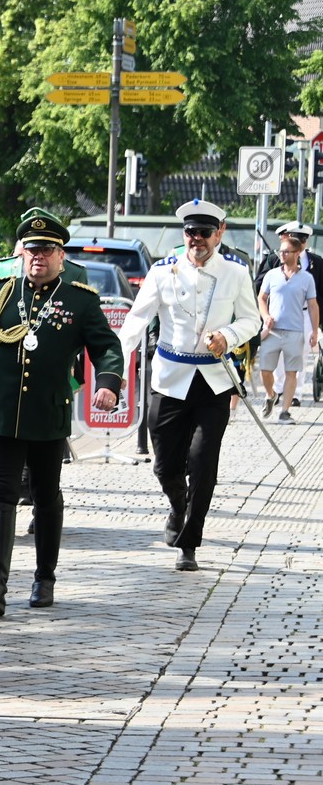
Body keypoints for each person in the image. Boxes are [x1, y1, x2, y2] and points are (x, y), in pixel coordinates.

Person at [0, 209, 124, 613]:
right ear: (22, 254)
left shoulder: (79, 300)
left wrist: (108, 384)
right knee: (2, 495)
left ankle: (45, 578)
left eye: (46, 250)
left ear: (61, 256)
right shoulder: (1, 293)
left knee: (45, 496)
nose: (38, 257)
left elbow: (106, 347)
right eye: (31, 250)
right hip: (1, 413)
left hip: (47, 415)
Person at [119, 199, 264, 571]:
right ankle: (176, 503)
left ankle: (189, 543)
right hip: (169, 380)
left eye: (204, 232)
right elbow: (136, 320)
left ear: (219, 233)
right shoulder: (162, 271)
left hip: (214, 383)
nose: (196, 239)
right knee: (165, 466)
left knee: (202, 463)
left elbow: (252, 320)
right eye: (190, 232)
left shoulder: (236, 272)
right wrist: (116, 367)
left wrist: (228, 336)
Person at [257, 226, 318, 422]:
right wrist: (265, 315)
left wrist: (315, 330)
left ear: (298, 252)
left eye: (286, 251)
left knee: (292, 371)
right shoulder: (272, 272)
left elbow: (314, 304)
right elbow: (261, 297)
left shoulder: (308, 276)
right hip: (272, 330)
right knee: (265, 370)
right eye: (281, 251)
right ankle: (271, 394)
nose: (282, 254)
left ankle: (285, 410)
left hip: (297, 328)